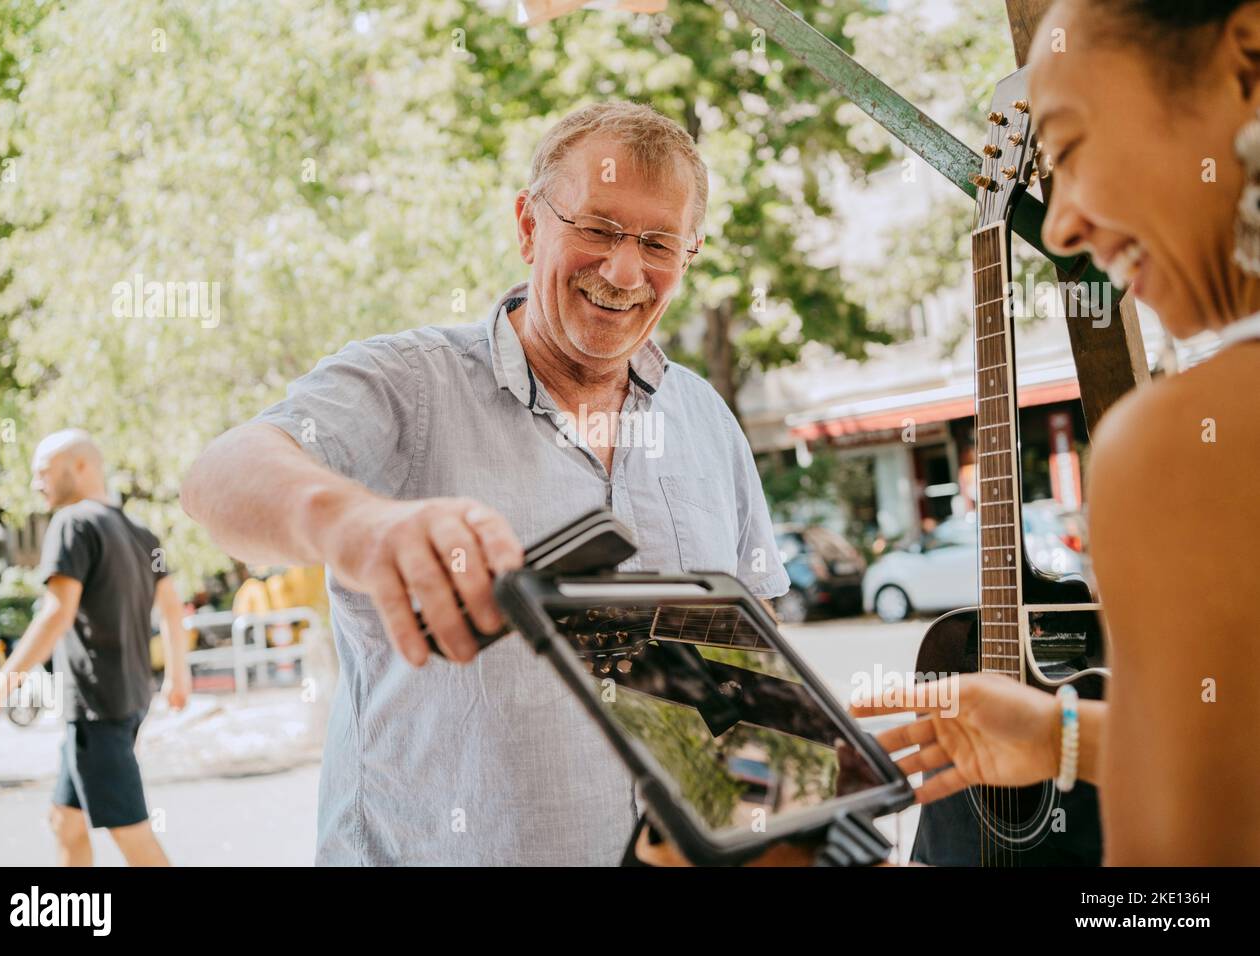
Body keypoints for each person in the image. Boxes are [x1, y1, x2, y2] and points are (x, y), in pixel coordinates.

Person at [180, 101, 791, 866]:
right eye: (597, 229)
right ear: (530, 225)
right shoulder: (409, 384)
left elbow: (753, 662)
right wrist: (357, 526)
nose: (625, 270)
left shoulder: (706, 418)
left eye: (658, 242)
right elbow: (219, 476)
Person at [855, 0, 1260, 866]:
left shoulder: (1180, 447)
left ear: (1247, 61)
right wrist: (1063, 737)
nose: (1065, 223)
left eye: (1072, 151)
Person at [0, 429, 192, 866]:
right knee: (65, 821)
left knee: (133, 835)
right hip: (126, 701)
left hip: (96, 708)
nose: (37, 484)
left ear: (82, 466)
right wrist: (178, 676)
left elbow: (55, 615)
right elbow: (171, 605)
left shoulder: (73, 523)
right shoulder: (140, 532)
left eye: (44, 472)